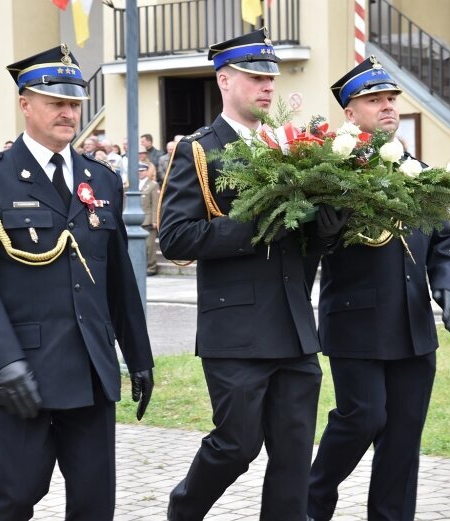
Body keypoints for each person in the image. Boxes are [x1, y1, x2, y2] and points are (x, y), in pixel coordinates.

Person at [0, 44, 155, 520]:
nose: (68, 112)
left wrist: (138, 356)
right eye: (55, 101)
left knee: (94, 502)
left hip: (91, 371)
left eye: (74, 102)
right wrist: (1, 362)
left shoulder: (100, 180)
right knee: (15, 493)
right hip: (25, 370)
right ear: (25, 103)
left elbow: (117, 277)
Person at [159, 28, 343, 521]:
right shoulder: (200, 150)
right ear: (224, 80)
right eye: (254, 76)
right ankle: (183, 510)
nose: (267, 86)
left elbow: (300, 242)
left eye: (271, 77)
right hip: (236, 329)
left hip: (293, 325)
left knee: (293, 456)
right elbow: (175, 238)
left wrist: (323, 231)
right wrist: (258, 225)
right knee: (236, 446)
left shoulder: (291, 147)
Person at [306, 56, 450, 521]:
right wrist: (326, 227)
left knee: (404, 434)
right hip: (356, 321)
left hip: (412, 326)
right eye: (374, 100)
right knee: (363, 418)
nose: (388, 106)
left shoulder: (418, 169)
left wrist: (448, 287)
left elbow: (442, 242)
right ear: (350, 112)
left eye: (391, 98)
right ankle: (312, 499)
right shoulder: (331, 170)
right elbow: (310, 242)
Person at [138, 147, 159, 276]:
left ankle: (151, 267)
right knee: (138, 247)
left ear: (146, 171)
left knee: (149, 246)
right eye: (138, 171)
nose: (140, 173)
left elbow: (155, 204)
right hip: (136, 219)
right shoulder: (133, 184)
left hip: (148, 220)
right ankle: (141, 266)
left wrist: (155, 220)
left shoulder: (153, 185)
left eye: (142, 171)